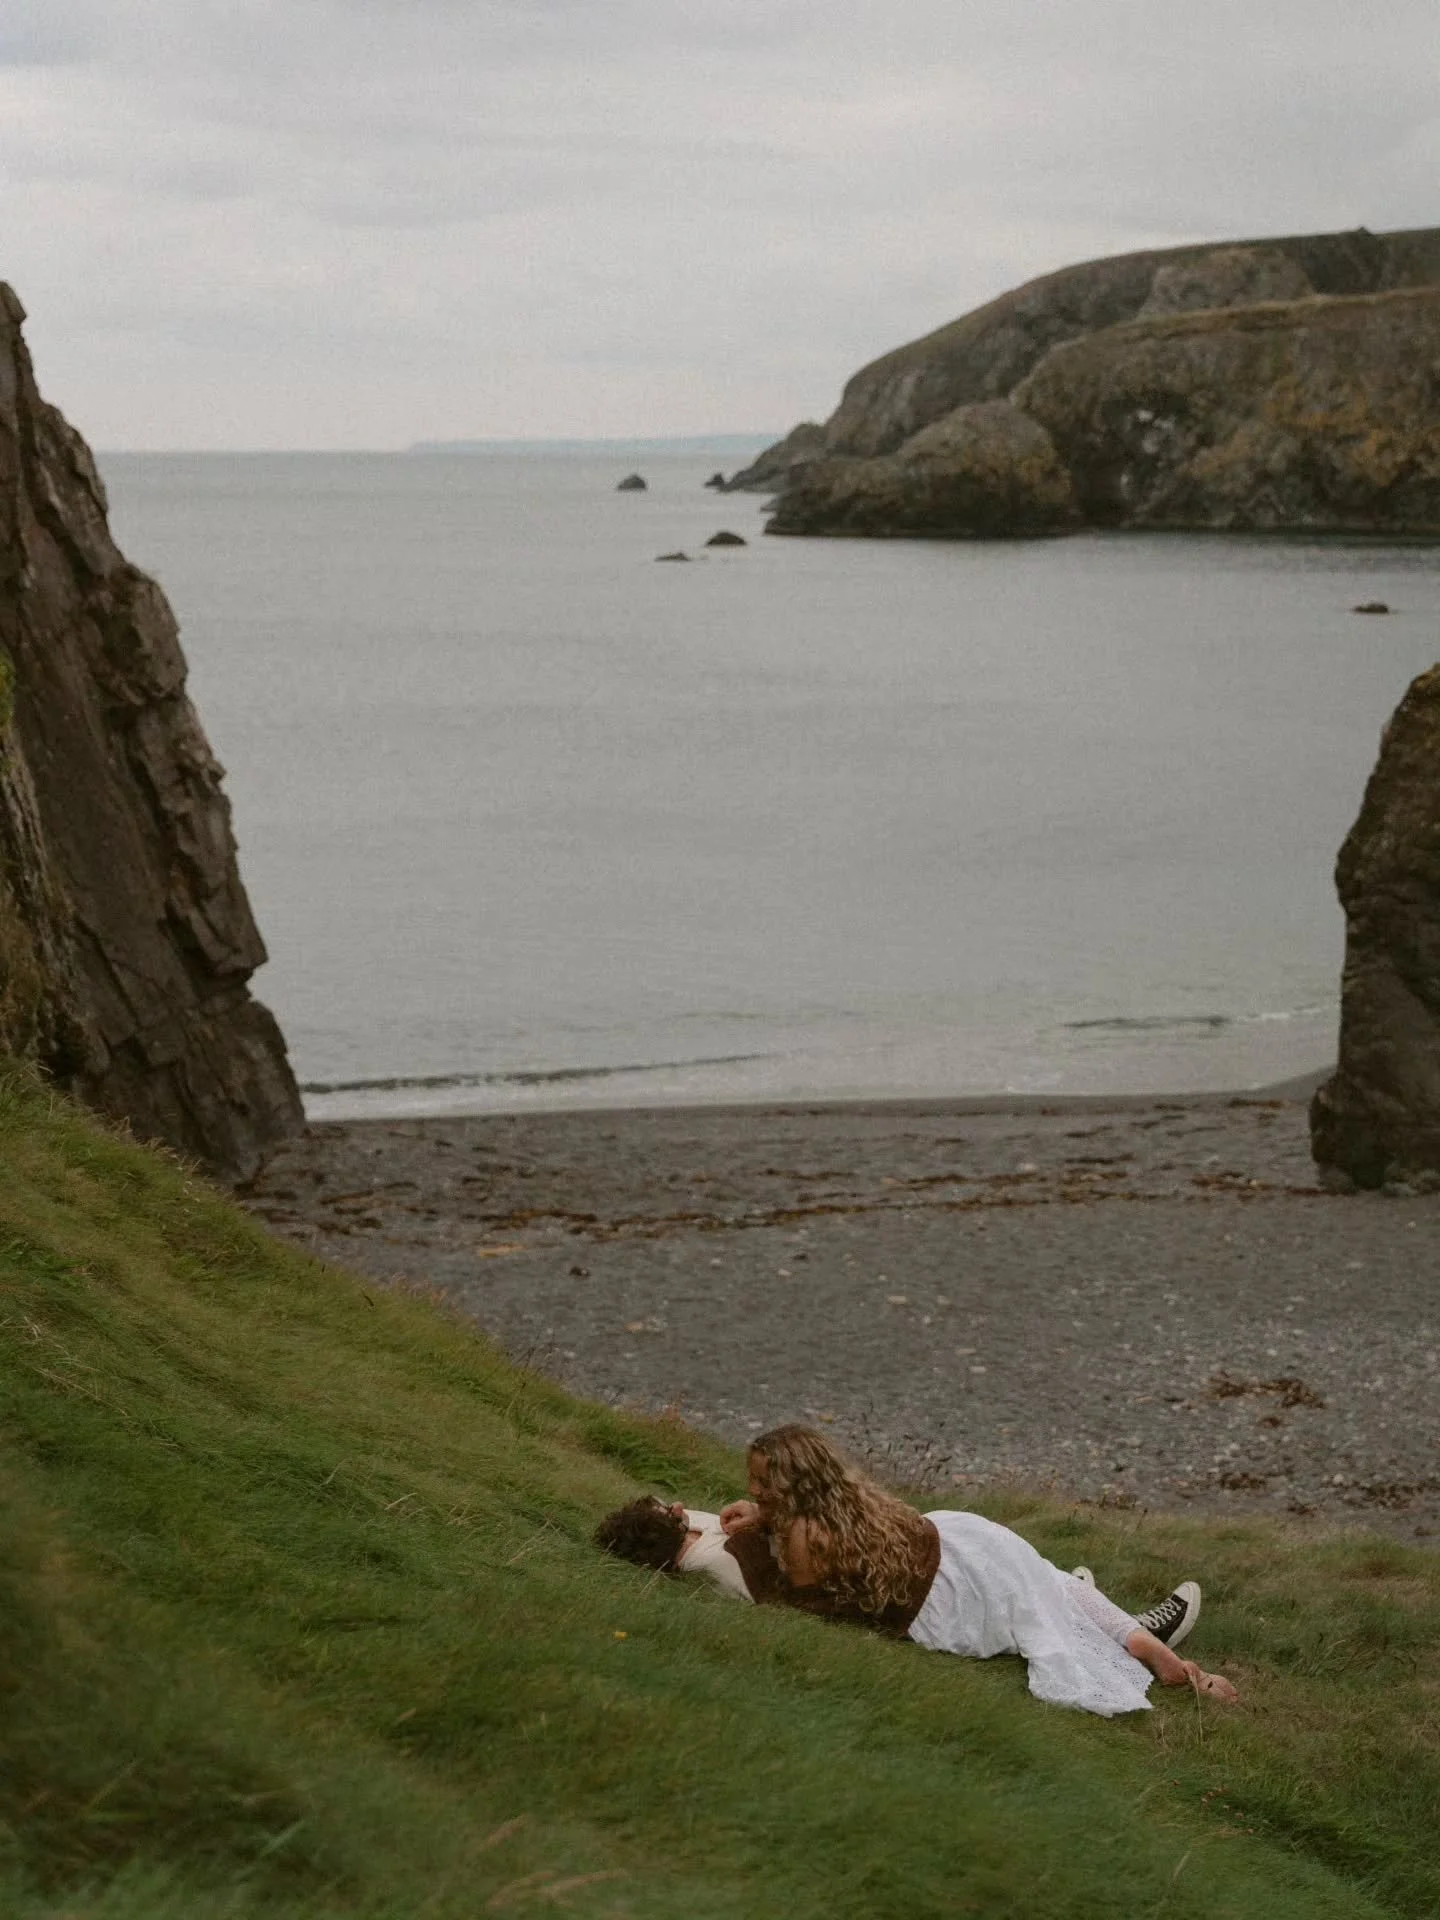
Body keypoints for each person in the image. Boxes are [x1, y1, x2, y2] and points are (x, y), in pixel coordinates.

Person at [712, 1425, 1238, 1717]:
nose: (754, 1488)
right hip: (963, 1541)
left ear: (794, 1482)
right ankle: (1155, 1646)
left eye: (762, 1481)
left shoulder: (806, 1535)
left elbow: (790, 1606)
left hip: (950, 1600)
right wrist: (764, 1514)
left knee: (1041, 1610)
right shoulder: (842, 1498)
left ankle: (1137, 1641)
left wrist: (754, 1538)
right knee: (1044, 1582)